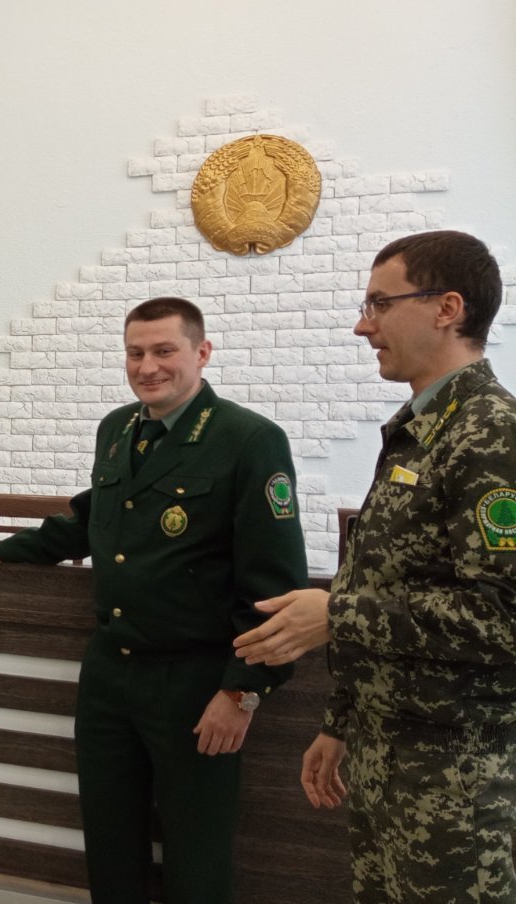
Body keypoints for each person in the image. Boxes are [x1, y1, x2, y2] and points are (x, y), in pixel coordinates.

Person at [0, 297, 308, 903]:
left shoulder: (248, 440)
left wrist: (242, 692)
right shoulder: (119, 428)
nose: (147, 366)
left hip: (196, 681)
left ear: (202, 353)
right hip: (110, 674)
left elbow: (274, 589)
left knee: (196, 849)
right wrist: (10, 550)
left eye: (164, 350)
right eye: (135, 352)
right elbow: (92, 517)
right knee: (110, 838)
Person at [233, 230, 516, 902]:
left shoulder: (490, 432)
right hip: (388, 753)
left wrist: (336, 612)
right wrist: (342, 721)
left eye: (380, 304)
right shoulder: (421, 428)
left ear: (448, 308)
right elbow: (389, 582)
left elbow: (503, 616)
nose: (364, 326)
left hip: (460, 777)